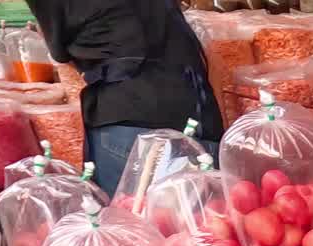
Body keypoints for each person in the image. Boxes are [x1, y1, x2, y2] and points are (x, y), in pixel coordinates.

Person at [24, 0, 224, 193]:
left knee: (132, 221)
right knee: (200, 220)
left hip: (130, 118)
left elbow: (61, 53)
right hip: (199, 109)